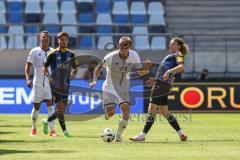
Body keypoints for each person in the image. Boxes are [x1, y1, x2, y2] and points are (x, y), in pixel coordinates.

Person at [89, 36, 151, 142]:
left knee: (126, 113)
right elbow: (98, 68)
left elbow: (141, 72)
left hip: (124, 87)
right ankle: (107, 114)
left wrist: (146, 68)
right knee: (111, 112)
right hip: (109, 87)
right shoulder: (111, 56)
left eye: (125, 45)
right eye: (120, 45)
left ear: (129, 46)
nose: (122, 47)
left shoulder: (134, 55)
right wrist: (94, 80)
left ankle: (118, 136)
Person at [130, 37, 189, 142]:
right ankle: (181, 133)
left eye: (172, 44)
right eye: (170, 44)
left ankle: (142, 135)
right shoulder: (171, 56)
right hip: (161, 84)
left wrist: (168, 72)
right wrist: (156, 80)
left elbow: (181, 67)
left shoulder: (179, 55)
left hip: (161, 85)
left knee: (151, 109)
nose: (170, 45)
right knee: (164, 111)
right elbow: (167, 74)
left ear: (179, 46)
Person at [42, 32, 78, 138]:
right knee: (60, 108)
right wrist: (49, 78)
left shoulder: (71, 54)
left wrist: (73, 74)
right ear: (58, 41)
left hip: (66, 85)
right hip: (55, 85)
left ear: (67, 41)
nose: (63, 41)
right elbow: (44, 68)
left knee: (61, 110)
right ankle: (65, 132)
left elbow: (76, 68)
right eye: (61, 39)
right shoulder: (52, 54)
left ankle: (46, 121)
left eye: (65, 39)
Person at [25, 31, 56, 137]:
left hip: (49, 86)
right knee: (36, 107)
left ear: (49, 39)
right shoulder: (34, 51)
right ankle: (33, 128)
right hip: (37, 84)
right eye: (43, 37)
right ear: (40, 39)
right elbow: (28, 66)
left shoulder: (53, 52)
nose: (45, 38)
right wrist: (28, 78)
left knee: (51, 107)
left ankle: (52, 130)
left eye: (47, 37)